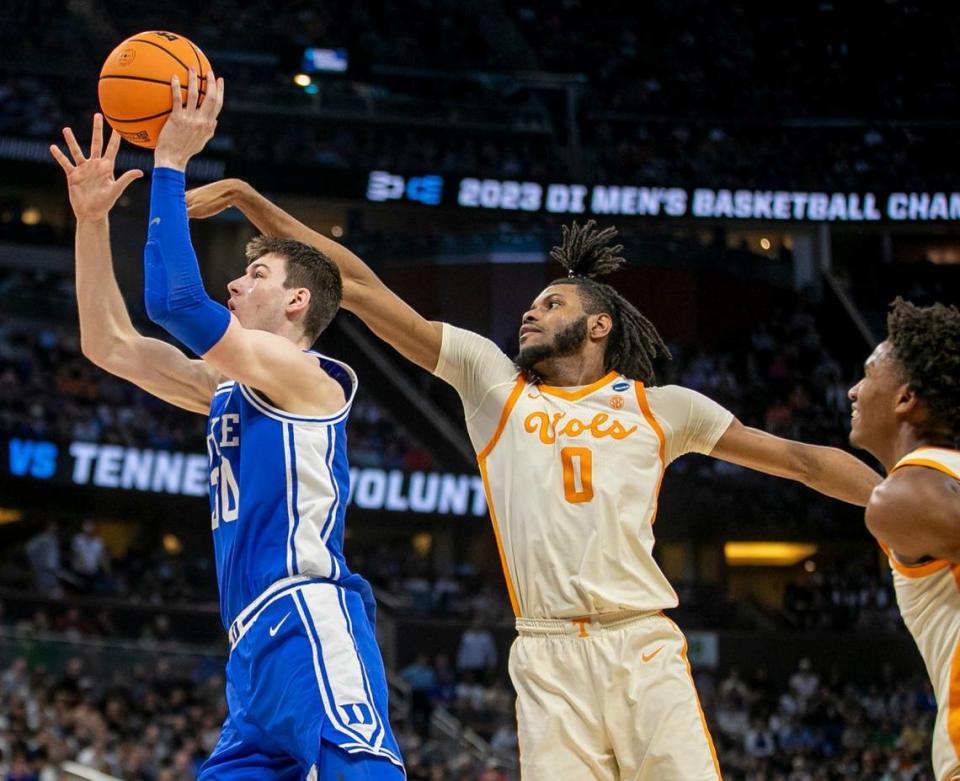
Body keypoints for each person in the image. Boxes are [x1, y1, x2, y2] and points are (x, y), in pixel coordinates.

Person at [187, 181, 881, 779]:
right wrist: (256, 206)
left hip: (641, 639)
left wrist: (890, 494)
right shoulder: (493, 384)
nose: (531, 310)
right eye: (532, 303)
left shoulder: (662, 407)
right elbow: (358, 287)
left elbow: (802, 460)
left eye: (551, 304)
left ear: (598, 323)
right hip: (545, 650)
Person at [49, 71, 403, 780]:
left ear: (298, 299)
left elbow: (177, 302)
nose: (236, 284)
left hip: (305, 613)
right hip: (250, 649)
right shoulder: (227, 385)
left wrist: (172, 163)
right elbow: (110, 345)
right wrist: (91, 222)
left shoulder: (310, 376)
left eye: (257, 274)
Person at [847, 298, 960, 781]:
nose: (854, 390)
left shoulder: (905, 497)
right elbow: (816, 468)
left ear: (905, 398)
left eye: (869, 375)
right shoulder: (923, 487)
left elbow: (886, 498)